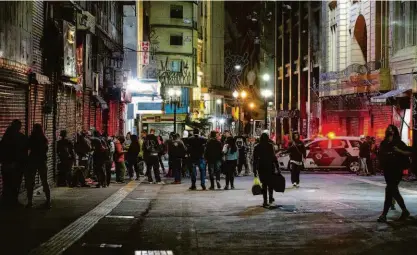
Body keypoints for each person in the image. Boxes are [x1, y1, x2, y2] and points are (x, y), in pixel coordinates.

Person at [377, 125, 411, 222]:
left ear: (395, 131)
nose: (389, 131)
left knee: (389, 190)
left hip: (396, 169)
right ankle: (405, 211)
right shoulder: (384, 143)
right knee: (394, 191)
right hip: (387, 170)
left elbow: (409, 152)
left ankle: (384, 214)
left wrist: (399, 150)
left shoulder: (399, 142)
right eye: (388, 129)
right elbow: (380, 154)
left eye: (391, 129)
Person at [0, 120, 28, 208]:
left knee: (7, 184)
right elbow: (24, 149)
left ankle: (6, 202)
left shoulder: (6, 136)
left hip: (6, 165)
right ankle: (13, 202)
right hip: (16, 165)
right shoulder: (20, 137)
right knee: (15, 184)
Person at [25, 124, 51, 208]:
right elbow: (46, 150)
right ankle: (48, 201)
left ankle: (29, 202)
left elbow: (27, 147)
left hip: (32, 161)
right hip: (42, 162)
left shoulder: (31, 138)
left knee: (30, 182)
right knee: (44, 181)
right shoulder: (44, 139)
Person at [253, 133, 278, 207]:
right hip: (270, 166)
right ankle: (270, 198)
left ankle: (265, 201)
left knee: (264, 184)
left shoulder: (257, 147)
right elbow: (274, 157)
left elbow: (255, 159)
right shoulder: (270, 145)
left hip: (261, 167)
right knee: (270, 184)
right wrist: (277, 167)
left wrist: (254, 170)